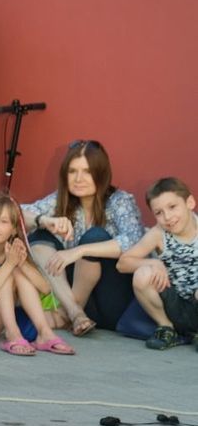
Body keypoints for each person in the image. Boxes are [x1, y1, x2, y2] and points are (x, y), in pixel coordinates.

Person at [23, 141, 144, 336]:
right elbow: (15, 214)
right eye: (72, 171)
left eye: (87, 172)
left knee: (94, 237)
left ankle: (64, 314)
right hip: (81, 305)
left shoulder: (119, 201)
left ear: (101, 173)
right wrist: (43, 220)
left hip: (112, 304)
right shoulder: (61, 200)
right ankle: (74, 312)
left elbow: (135, 241)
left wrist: (79, 250)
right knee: (40, 234)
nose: (79, 179)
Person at [0, 194, 74, 356]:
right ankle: (13, 334)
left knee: (16, 270)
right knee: (7, 272)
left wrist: (20, 263)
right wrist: (10, 264)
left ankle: (44, 333)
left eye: (3, 222)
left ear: (13, 230)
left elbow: (45, 289)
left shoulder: (12, 252)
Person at [118, 177, 198, 350]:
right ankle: (167, 328)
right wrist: (154, 263)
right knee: (143, 274)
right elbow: (123, 263)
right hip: (174, 306)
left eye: (172, 207)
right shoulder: (158, 234)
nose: (167, 217)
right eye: (159, 213)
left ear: (190, 202)